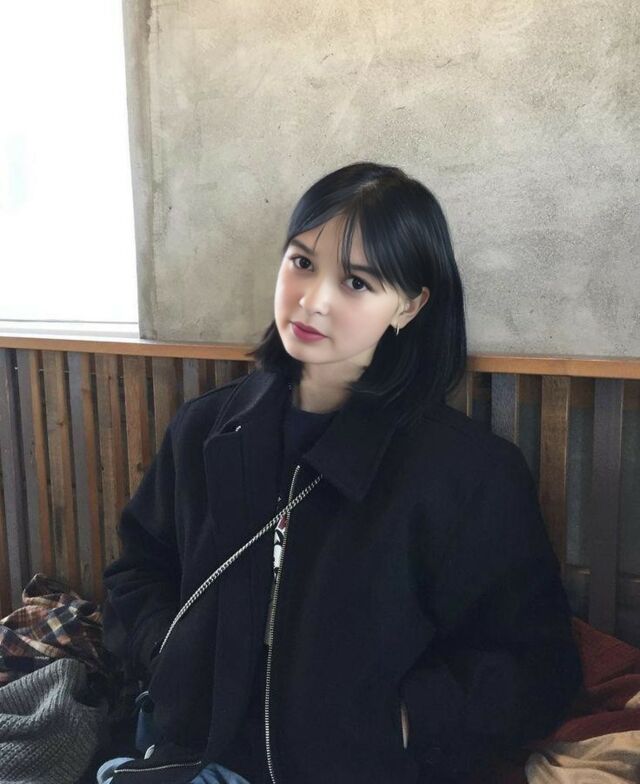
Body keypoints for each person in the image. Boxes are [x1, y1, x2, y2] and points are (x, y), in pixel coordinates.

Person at [100, 162, 583, 784]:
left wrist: (403, 720)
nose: (313, 300)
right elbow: (136, 571)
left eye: (356, 282)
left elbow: (537, 665)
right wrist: (170, 654)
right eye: (302, 262)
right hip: (188, 753)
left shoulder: (468, 473)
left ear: (409, 306)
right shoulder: (204, 430)